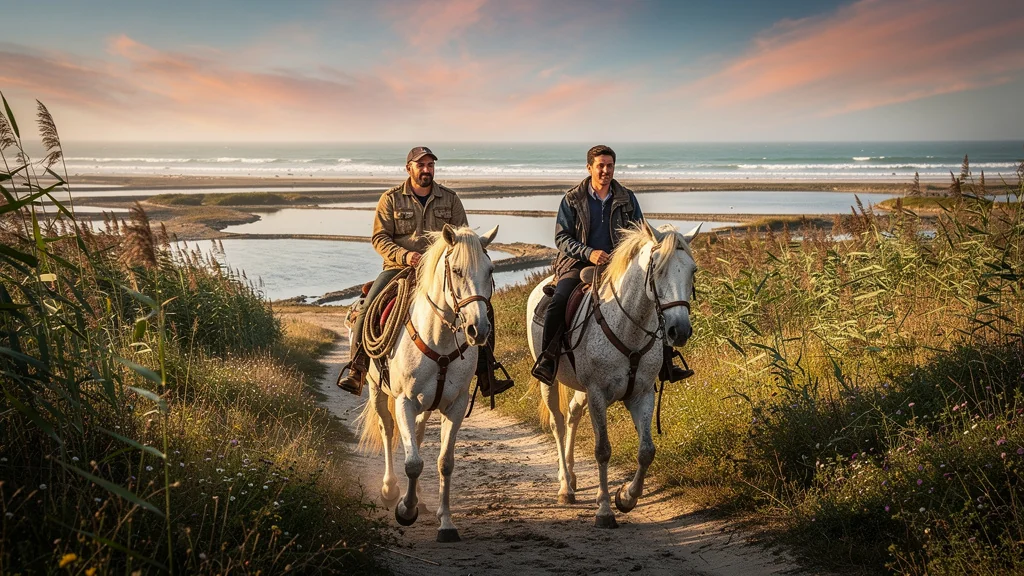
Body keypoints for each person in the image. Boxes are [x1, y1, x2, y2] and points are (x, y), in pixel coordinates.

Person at [337, 146, 514, 398]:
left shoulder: (450, 199)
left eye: (430, 165)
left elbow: (462, 238)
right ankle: (357, 369)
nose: (426, 170)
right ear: (409, 168)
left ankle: (487, 373)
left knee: (481, 309)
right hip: (399, 269)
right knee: (370, 306)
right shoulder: (391, 198)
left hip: (441, 271)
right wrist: (406, 255)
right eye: (421, 165)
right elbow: (380, 238)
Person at [531, 145, 691, 385]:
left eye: (610, 166)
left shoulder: (627, 198)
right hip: (578, 263)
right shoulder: (572, 199)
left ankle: (666, 363)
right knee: (559, 301)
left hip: (621, 264)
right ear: (589, 168)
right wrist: (589, 252)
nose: (606, 170)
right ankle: (549, 359)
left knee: (654, 300)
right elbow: (561, 238)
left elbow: (640, 233)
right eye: (600, 166)